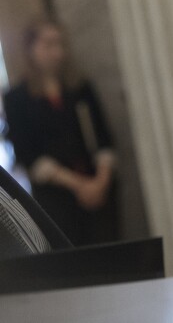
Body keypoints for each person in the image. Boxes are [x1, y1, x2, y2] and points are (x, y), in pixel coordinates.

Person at [3, 19, 118, 246]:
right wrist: (79, 186)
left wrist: (100, 182)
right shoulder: (17, 99)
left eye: (59, 44)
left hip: (98, 190)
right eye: (48, 45)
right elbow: (28, 155)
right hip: (57, 199)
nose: (57, 52)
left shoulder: (79, 88)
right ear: (31, 49)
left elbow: (103, 138)